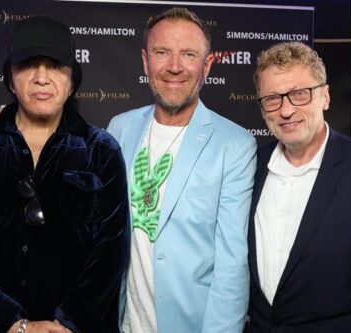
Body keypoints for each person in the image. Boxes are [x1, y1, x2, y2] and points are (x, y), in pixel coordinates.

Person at [0, 16, 130, 333]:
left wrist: (65, 322)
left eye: (55, 65)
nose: (42, 78)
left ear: (73, 80)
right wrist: (15, 323)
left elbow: (111, 252)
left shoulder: (102, 151)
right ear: (10, 78)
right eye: (29, 64)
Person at [246, 41, 351, 332]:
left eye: (299, 94)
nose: (286, 110)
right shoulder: (249, 166)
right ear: (263, 109)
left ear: (325, 96)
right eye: (273, 99)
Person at [107, 7, 256, 333]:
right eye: (162, 52)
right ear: (146, 61)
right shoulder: (119, 128)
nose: (174, 67)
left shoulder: (235, 145)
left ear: (207, 65)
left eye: (188, 54)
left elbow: (231, 264)